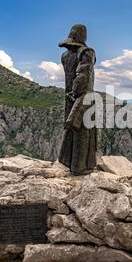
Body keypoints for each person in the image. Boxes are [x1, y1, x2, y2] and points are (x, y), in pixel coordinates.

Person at [58, 24, 97, 175]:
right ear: (83, 36)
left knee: (72, 130)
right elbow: (83, 76)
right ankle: (81, 166)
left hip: (69, 98)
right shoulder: (87, 52)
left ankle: (70, 162)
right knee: (83, 131)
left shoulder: (66, 56)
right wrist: (77, 93)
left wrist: (72, 94)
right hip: (83, 97)